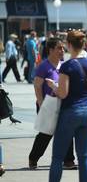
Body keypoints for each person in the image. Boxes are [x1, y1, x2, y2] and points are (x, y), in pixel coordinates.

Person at [47, 30, 87, 182]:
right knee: (84, 157)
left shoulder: (67, 66)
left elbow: (63, 93)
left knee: (57, 157)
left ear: (69, 45)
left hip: (70, 113)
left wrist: (53, 86)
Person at [28, 37, 76, 170]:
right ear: (50, 50)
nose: (62, 50)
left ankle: (68, 160)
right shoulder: (44, 66)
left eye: (62, 48)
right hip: (47, 104)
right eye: (59, 48)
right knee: (45, 134)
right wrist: (41, 103)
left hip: (62, 103)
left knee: (67, 131)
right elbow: (37, 86)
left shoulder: (63, 65)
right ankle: (33, 158)